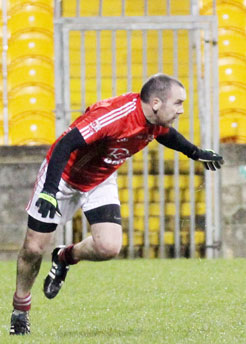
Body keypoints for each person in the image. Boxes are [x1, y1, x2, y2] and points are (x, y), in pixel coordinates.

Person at [9, 73, 224, 335]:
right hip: (63, 177)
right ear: (156, 103)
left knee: (108, 247)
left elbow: (165, 134)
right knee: (33, 248)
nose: (181, 110)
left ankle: (64, 256)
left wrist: (195, 152)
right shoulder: (114, 115)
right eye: (178, 103)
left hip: (100, 179)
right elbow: (65, 144)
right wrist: (50, 191)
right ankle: (20, 309)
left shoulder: (153, 120)